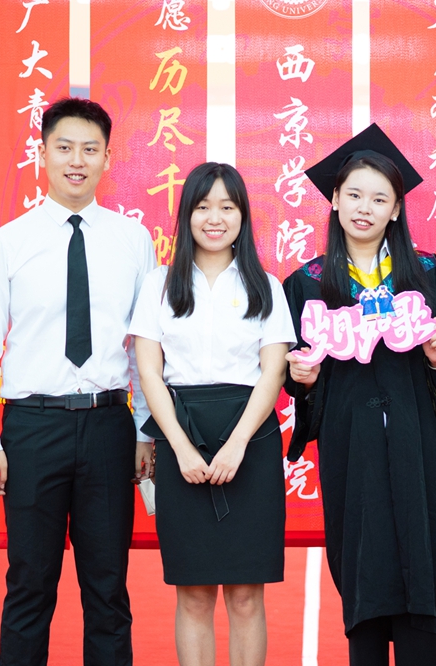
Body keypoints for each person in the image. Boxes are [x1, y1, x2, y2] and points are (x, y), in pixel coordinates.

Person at [0, 97, 157, 666]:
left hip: (107, 425)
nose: (77, 160)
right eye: (65, 147)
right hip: (32, 428)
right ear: (43, 154)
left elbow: (144, 348)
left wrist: (144, 429)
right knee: (29, 584)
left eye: (90, 149)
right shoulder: (7, 243)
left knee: (108, 588)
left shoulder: (133, 241)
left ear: (107, 159)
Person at [284, 124, 436, 666]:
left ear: (397, 209)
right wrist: (303, 379)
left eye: (380, 198)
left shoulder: (426, 274)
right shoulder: (309, 283)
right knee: (361, 557)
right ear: (335, 200)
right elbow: (293, 376)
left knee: (421, 556)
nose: (365, 208)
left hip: (417, 440)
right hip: (351, 441)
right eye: (355, 195)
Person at [131, 162, 295, 666]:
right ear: (187, 215)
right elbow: (149, 371)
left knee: (246, 594)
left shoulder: (265, 285)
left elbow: (273, 372)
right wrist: (180, 448)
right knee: (194, 592)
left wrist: (237, 444)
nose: (214, 218)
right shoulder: (160, 284)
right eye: (203, 207)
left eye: (227, 206)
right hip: (180, 435)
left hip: (251, 439)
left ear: (243, 215)